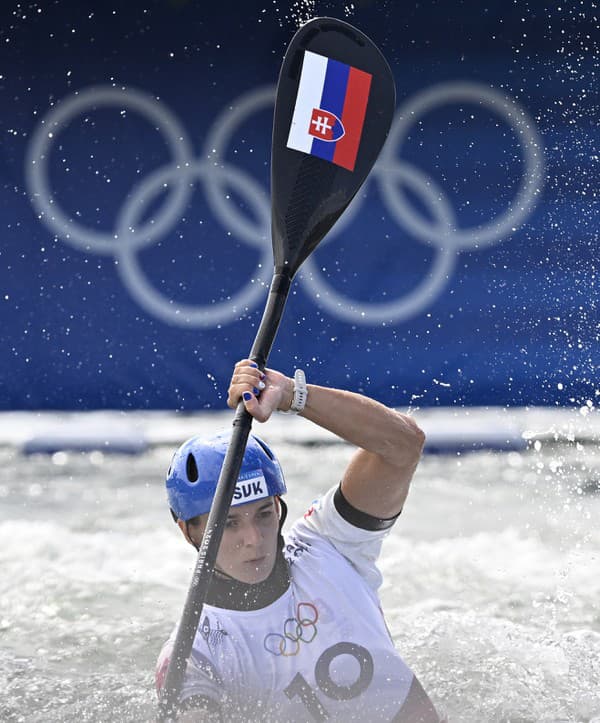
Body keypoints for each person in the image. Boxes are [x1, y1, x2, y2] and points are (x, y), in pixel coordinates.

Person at [156, 359, 442, 722]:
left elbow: (403, 445)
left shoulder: (330, 545)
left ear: (279, 506)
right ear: (189, 531)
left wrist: (293, 394)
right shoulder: (194, 655)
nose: (254, 538)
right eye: (228, 524)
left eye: (263, 513)